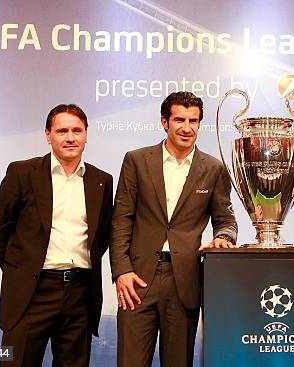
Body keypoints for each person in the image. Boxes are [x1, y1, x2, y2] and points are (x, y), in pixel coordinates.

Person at [110, 91, 237, 366]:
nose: (187, 128)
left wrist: (224, 237)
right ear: (164, 122)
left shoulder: (214, 169)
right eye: (180, 119)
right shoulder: (136, 160)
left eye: (194, 121)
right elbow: (122, 218)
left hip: (185, 282)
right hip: (137, 281)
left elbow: (225, 219)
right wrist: (122, 271)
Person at [0, 104, 113, 366]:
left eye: (77, 130)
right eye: (62, 130)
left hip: (80, 295)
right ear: (48, 135)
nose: (70, 137)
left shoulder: (102, 180)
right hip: (32, 294)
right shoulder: (22, 172)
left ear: (86, 135)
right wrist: (21, 269)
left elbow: (101, 238)